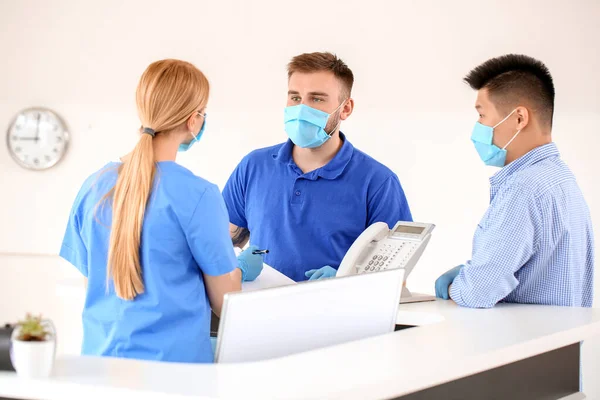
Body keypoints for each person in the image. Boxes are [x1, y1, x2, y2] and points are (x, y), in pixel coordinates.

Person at [59, 59, 263, 363]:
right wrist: (237, 269)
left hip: (98, 368)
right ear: (194, 121)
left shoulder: (94, 186)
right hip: (171, 376)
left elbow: (95, 285)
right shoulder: (199, 195)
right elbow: (225, 303)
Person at [222, 52, 412, 282]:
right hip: (261, 309)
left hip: (336, 314)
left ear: (346, 108)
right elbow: (220, 243)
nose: (302, 109)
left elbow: (395, 277)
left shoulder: (378, 182)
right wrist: (236, 267)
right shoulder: (254, 166)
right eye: (295, 97)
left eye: (317, 99)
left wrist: (347, 279)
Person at [435, 54, 594, 309]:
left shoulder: (524, 189)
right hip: (562, 345)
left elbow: (478, 292)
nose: (478, 126)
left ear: (519, 118)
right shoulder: (562, 178)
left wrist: (458, 286)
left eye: (482, 115)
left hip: (530, 344)